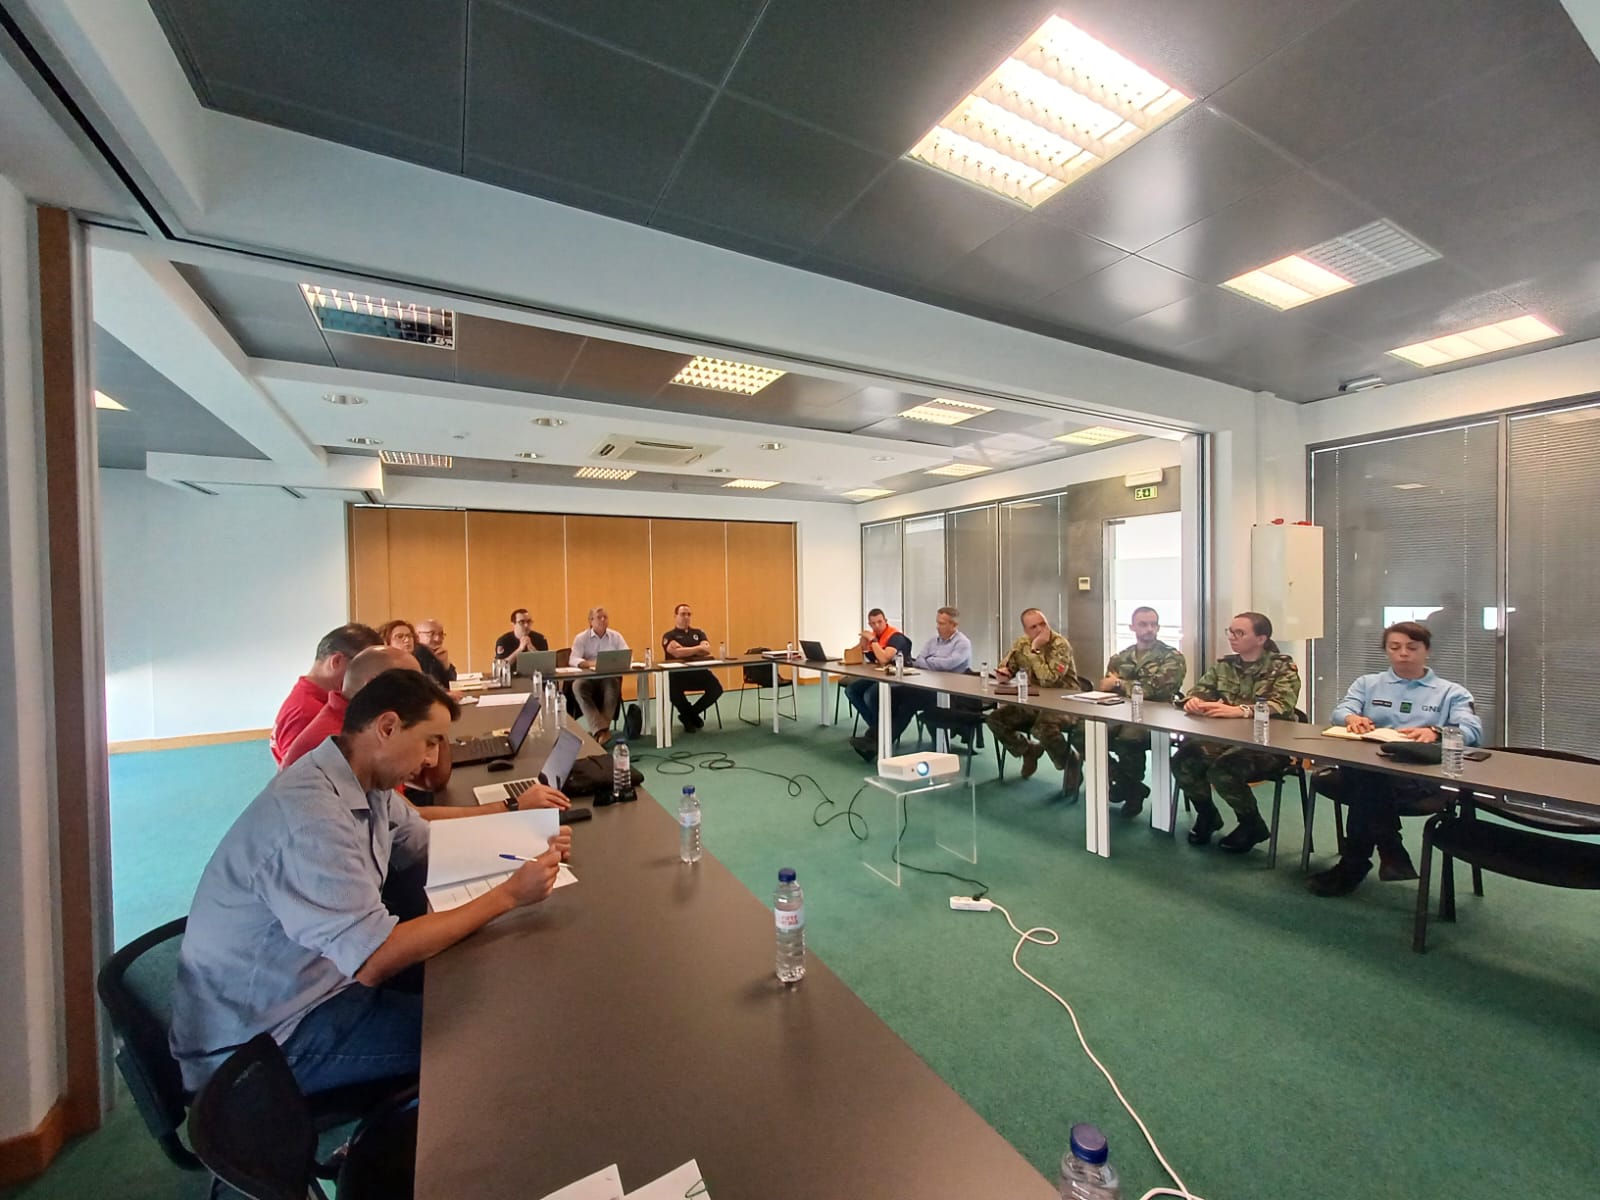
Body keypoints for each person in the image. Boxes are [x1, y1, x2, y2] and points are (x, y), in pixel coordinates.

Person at [171, 669, 573, 1095]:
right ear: (387, 727)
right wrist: (509, 895)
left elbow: (423, 839)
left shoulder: (360, 778)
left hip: (315, 986)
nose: (432, 759)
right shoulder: (312, 820)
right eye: (430, 741)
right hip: (267, 1042)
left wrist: (522, 835)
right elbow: (375, 958)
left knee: (482, 985)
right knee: (487, 1034)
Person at [1307, 621, 1482, 897]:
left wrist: (1435, 731)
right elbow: (1340, 712)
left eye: (1412, 647)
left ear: (1427, 651)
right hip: (1370, 768)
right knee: (1368, 778)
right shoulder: (1368, 683)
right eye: (1395, 647)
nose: (1403, 653)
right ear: (1386, 651)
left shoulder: (1451, 692)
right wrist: (1352, 718)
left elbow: (1472, 732)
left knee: (1364, 783)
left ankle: (1356, 862)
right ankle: (1389, 847)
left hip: (1417, 777)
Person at [1172, 612, 1301, 851]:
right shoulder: (1225, 666)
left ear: (1261, 639)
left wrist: (1241, 711)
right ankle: (1207, 815)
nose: (1232, 637)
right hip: (1227, 739)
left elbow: (1282, 704)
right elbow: (1198, 691)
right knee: (1184, 759)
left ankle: (1251, 825)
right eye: (1230, 632)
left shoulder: (1282, 668)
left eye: (1239, 633)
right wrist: (1193, 702)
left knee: (1223, 770)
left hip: (1268, 745)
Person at [1099, 607, 1187, 819]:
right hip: (1121, 712)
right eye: (1143, 624)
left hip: (1157, 716)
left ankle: (1129, 789)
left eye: (1153, 624)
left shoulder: (1172, 657)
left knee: (1129, 738)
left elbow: (1158, 689)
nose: (1149, 629)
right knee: (1084, 733)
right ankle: (1130, 785)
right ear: (1132, 627)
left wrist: (1120, 683)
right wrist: (1118, 686)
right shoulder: (1120, 657)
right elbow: (1106, 687)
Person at [984, 608, 1083, 795]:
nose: (1039, 629)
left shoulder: (1060, 645)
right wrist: (1004, 673)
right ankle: (1028, 750)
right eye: (1033, 627)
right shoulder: (1021, 643)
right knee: (995, 719)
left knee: (1042, 728)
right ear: (1025, 630)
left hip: (1064, 702)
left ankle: (1070, 762)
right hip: (1035, 700)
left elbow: (1048, 680)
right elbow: (1008, 666)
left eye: (1042, 624)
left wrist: (1035, 649)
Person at [854, 606, 972, 759]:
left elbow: (948, 665)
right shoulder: (932, 641)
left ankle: (877, 745)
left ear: (954, 625)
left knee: (908, 705)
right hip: (926, 685)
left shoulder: (962, 643)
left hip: (949, 691)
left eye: (942, 623)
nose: (937, 626)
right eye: (937, 622)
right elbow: (919, 660)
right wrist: (933, 662)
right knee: (892, 696)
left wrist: (930, 661)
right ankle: (873, 738)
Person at [270, 623, 383, 765]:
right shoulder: (305, 712)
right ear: (336, 661)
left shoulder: (314, 699)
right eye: (365, 667)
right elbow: (299, 774)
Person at [844, 608, 913, 735]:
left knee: (869, 695)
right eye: (873, 623)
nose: (876, 626)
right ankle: (876, 727)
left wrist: (873, 641)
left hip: (898, 678)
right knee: (851, 690)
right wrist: (862, 643)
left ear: (885, 621)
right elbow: (854, 655)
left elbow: (883, 659)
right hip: (879, 675)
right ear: (869, 624)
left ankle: (880, 731)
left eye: (879, 622)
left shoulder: (896, 637)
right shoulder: (873, 636)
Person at [660, 603, 723, 731]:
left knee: (716, 688)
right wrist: (698, 648)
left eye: (689, 614)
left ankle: (688, 715)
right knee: (672, 690)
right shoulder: (669, 636)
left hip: (698, 672)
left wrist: (685, 649)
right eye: (683, 614)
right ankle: (690, 716)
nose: (686, 617)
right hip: (677, 675)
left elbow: (707, 650)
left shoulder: (698, 633)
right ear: (675, 616)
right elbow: (676, 653)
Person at [571, 606, 629, 742]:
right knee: (577, 686)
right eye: (599, 617)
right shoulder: (581, 638)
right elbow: (573, 659)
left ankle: (600, 731)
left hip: (608, 677)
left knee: (612, 685)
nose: (603, 620)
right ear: (590, 621)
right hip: (587, 677)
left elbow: (627, 655)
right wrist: (592, 664)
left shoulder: (616, 636)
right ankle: (602, 730)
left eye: (605, 617)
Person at [413, 618, 456, 688]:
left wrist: (445, 665)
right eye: (431, 634)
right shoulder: (414, 656)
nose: (437, 639)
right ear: (417, 636)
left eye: (441, 634)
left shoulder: (438, 654)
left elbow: (451, 684)